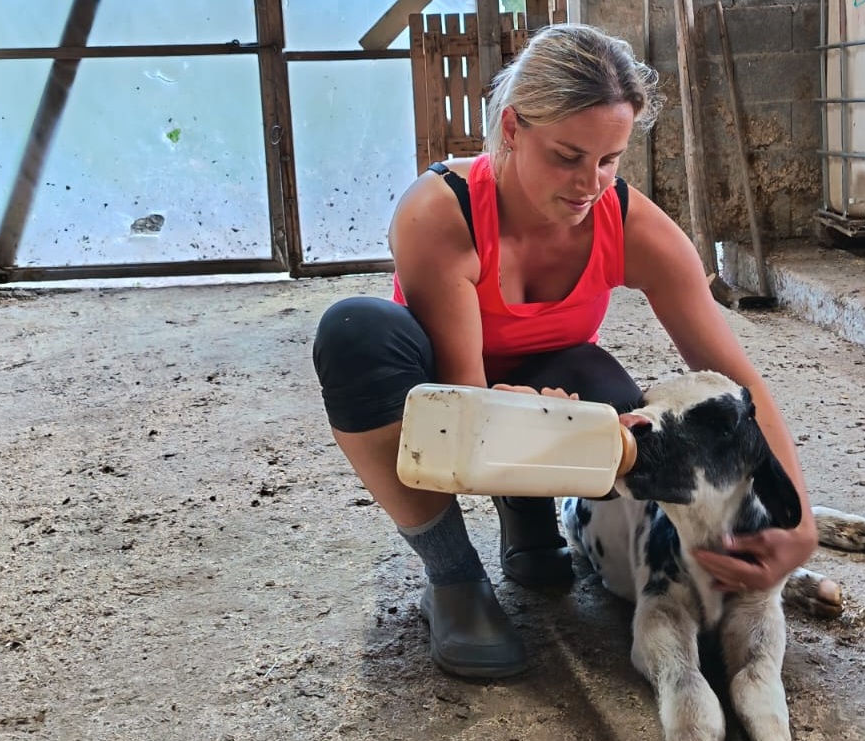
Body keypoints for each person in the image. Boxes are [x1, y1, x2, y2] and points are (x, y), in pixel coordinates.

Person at [312, 23, 818, 679]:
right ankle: (454, 578)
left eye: (610, 159)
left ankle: (529, 518)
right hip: (441, 396)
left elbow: (733, 378)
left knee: (613, 399)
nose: (590, 183)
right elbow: (467, 415)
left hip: (541, 385)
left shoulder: (634, 226)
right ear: (515, 128)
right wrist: (517, 415)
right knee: (355, 332)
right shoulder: (440, 212)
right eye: (568, 156)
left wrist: (798, 519)